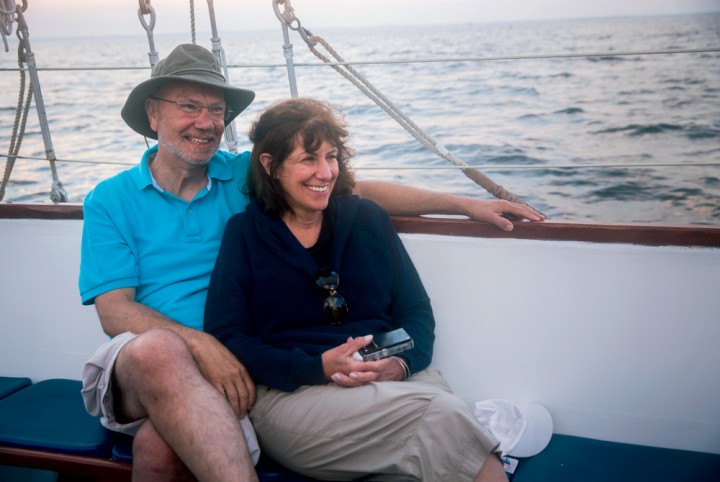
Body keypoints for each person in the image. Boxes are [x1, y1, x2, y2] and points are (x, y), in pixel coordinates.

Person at [79, 44, 539, 481]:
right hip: (160, 361)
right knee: (160, 350)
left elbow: (347, 189)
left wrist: (462, 204)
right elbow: (115, 312)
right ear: (153, 112)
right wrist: (207, 347)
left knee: (162, 447)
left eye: (216, 110)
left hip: (237, 366)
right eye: (189, 106)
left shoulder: (242, 175)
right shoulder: (110, 199)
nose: (206, 122)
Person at [204, 97, 508, 481]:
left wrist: (398, 366)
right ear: (271, 166)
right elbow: (227, 336)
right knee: (446, 419)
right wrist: (316, 367)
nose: (325, 172)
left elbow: (415, 312)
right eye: (308, 159)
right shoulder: (244, 236)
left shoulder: (367, 219)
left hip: (396, 378)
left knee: (430, 449)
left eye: (331, 157)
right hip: (296, 395)